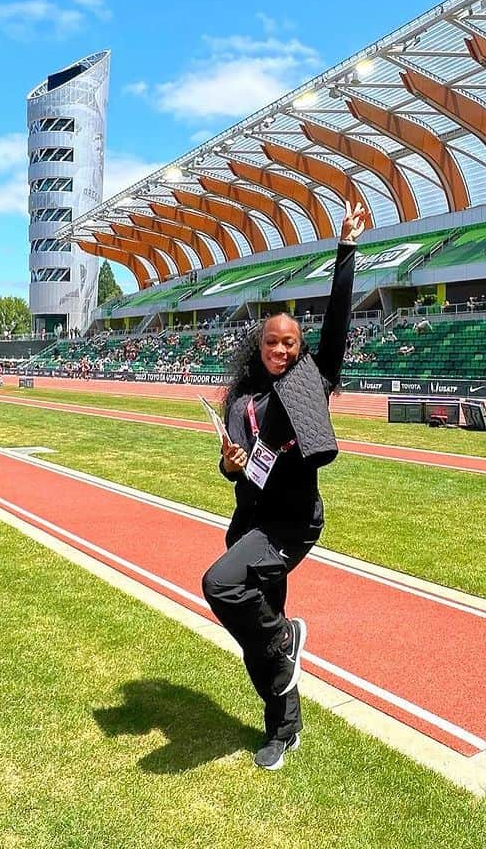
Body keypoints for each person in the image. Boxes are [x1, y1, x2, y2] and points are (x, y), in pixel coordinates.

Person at [201, 200, 367, 772]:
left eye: (290, 344)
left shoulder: (310, 382)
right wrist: (229, 462)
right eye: (272, 342)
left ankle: (285, 639)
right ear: (259, 345)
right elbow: (236, 470)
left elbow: (340, 318)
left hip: (291, 524)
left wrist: (345, 251)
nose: (281, 350)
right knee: (257, 638)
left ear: (300, 349)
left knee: (220, 586)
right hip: (249, 522)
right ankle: (284, 728)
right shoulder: (242, 400)